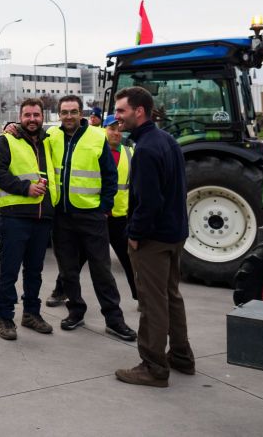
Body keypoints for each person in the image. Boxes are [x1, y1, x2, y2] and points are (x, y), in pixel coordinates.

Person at [114, 87, 194, 387]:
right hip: (175, 234)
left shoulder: (146, 148)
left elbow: (149, 202)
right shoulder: (167, 140)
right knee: (171, 296)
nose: (117, 117)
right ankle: (182, 357)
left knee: (152, 302)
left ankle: (154, 367)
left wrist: (135, 234)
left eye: (122, 111)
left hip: (153, 239)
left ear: (140, 111)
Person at [46, 95, 136, 341]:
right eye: (64, 112)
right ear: (58, 114)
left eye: (73, 112)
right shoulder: (52, 136)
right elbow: (28, 134)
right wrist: (14, 127)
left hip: (91, 216)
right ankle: (75, 311)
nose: (68, 116)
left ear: (81, 113)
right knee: (68, 270)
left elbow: (109, 176)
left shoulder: (97, 136)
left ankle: (114, 320)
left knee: (102, 270)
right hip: (62, 216)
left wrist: (104, 208)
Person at [0, 99, 58, 340]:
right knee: (9, 271)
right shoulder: (7, 140)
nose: (32, 119)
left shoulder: (49, 140)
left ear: (43, 116)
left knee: (35, 272)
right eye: (27, 115)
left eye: (36, 115)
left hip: (42, 218)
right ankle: (5, 318)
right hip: (15, 217)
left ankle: (31, 314)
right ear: (20, 117)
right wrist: (24, 188)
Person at [103, 114, 138, 301]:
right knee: (79, 258)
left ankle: (140, 296)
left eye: (118, 129)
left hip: (119, 218)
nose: (116, 133)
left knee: (129, 260)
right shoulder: (96, 152)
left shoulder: (130, 153)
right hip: (99, 216)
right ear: (104, 130)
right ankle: (60, 290)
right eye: (111, 129)